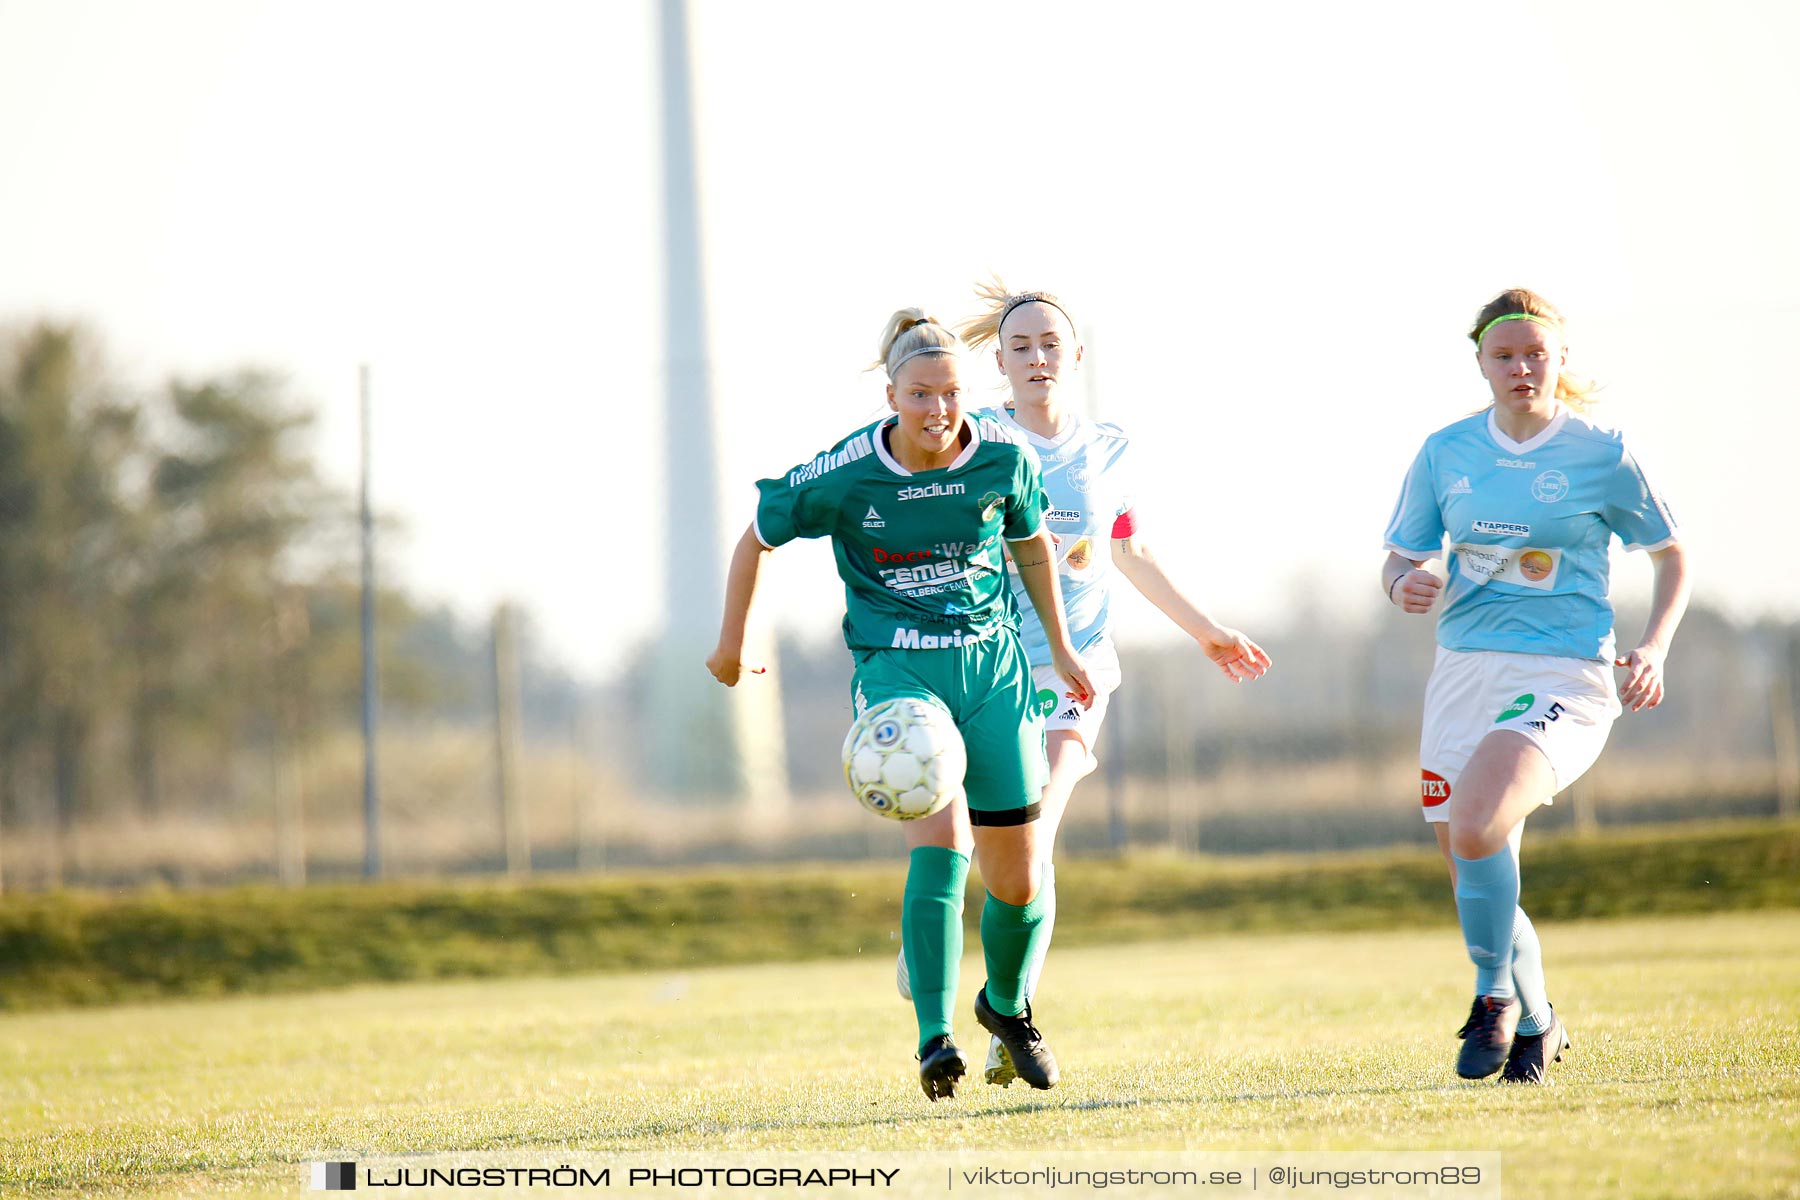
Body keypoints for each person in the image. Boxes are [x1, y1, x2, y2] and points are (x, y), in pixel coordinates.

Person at [707, 308, 1096, 1101]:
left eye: (949, 393)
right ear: (892, 395)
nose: (937, 410)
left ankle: (1007, 1007)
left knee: (1019, 880)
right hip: (898, 674)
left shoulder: (1002, 460)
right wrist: (730, 641)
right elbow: (757, 534)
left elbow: (1032, 546)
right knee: (943, 844)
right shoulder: (849, 472)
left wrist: (1060, 647)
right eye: (920, 394)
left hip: (992, 675)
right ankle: (933, 1037)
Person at [894, 283, 1272, 1087]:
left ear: (1075, 356)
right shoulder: (974, 437)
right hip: (986, 666)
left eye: (1049, 344)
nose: (1036, 358)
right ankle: (939, 945)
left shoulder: (1109, 448)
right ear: (997, 362)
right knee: (970, 846)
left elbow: (1129, 551)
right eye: (1019, 347)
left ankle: (1008, 1008)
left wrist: (1207, 630)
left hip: (1079, 670)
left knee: (1037, 837)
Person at [1382, 288, 1689, 1083]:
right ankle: (1542, 1021)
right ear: (1481, 364)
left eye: (1536, 354)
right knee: (1469, 864)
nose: (1522, 368)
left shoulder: (1600, 452)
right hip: (1462, 672)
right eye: (1505, 355)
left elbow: (1671, 554)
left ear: (1560, 360)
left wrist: (1653, 646)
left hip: (1564, 672)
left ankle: (1493, 998)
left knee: (1481, 820)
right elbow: (1402, 556)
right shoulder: (1446, 451)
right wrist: (1404, 583)